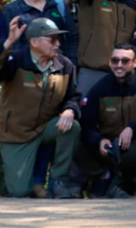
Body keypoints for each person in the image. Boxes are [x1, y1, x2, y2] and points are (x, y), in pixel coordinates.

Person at [0, 17, 81, 198]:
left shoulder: (64, 64)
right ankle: (31, 185)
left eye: (58, 39)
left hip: (45, 127)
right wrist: (8, 43)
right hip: (16, 132)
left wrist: (70, 110)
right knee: (19, 191)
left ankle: (58, 180)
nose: (57, 44)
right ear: (34, 42)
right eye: (51, 39)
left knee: (71, 127)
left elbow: (73, 96)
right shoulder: (16, 59)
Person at [77, 43, 136, 198]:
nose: (119, 65)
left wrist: (133, 128)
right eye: (115, 60)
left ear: (135, 63)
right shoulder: (99, 88)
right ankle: (102, 176)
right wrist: (99, 140)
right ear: (110, 62)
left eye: (125, 61)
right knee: (73, 132)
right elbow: (87, 123)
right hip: (109, 148)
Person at [4, 0, 78, 62]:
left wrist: (71, 65)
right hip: (24, 71)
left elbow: (72, 38)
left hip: (56, 68)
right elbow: (6, 42)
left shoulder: (58, 5)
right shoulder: (12, 9)